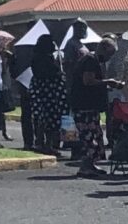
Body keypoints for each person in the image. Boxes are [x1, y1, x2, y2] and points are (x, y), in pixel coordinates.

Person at [73, 39, 117, 175]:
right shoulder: (90, 61)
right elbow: (88, 81)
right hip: (84, 105)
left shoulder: (94, 60)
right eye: (110, 53)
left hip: (90, 105)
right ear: (103, 49)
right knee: (88, 136)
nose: (110, 57)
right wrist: (108, 82)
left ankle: (91, 164)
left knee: (95, 134)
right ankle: (85, 166)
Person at [29, 47, 69, 155]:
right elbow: (54, 73)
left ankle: (39, 143)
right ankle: (48, 145)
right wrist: (59, 71)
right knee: (52, 120)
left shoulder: (34, 59)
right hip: (51, 93)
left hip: (39, 92)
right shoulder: (47, 60)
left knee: (41, 119)